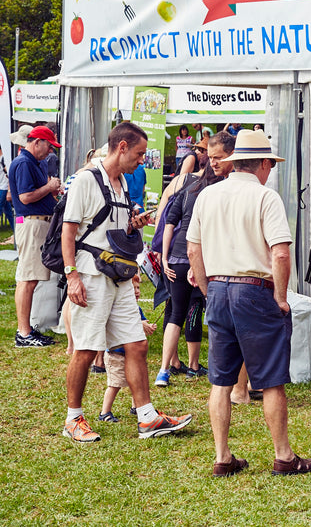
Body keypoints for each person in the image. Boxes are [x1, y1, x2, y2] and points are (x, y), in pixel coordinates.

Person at [187, 130, 311, 476]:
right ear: (261, 164)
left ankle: (222, 456)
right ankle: (284, 456)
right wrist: (280, 296)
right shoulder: (265, 197)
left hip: (217, 288)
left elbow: (193, 250)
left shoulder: (208, 194)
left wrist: (205, 287)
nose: (270, 171)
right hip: (254, 289)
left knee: (220, 380)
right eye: (269, 165)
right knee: (271, 379)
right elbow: (281, 252)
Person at [61, 121, 193, 443]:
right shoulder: (86, 181)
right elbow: (69, 231)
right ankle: (73, 419)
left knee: (137, 344)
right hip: (91, 276)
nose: (141, 160)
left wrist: (133, 224)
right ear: (121, 147)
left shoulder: (120, 183)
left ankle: (147, 417)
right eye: (139, 153)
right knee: (86, 348)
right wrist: (72, 276)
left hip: (119, 278)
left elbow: (111, 232)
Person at [156, 131, 236, 387]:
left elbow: (169, 222)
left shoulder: (187, 188)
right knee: (196, 310)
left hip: (177, 257)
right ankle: (194, 365)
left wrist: (165, 258)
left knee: (175, 313)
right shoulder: (217, 191)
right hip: (199, 257)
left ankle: (163, 369)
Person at [9, 125, 63, 347]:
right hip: (31, 224)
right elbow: (24, 197)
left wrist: (51, 191)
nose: (50, 151)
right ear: (37, 142)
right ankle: (24, 333)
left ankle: (27, 330)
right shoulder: (23, 163)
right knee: (27, 280)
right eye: (49, 146)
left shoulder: (34, 162)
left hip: (37, 223)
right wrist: (49, 186)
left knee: (29, 279)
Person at [99, 278, 157, 423]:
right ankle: (105, 412)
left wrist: (147, 327)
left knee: (135, 380)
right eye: (133, 288)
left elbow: (139, 328)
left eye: (138, 288)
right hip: (116, 354)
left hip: (131, 354)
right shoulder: (116, 308)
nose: (137, 292)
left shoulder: (136, 309)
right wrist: (140, 323)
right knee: (115, 384)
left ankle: (136, 406)